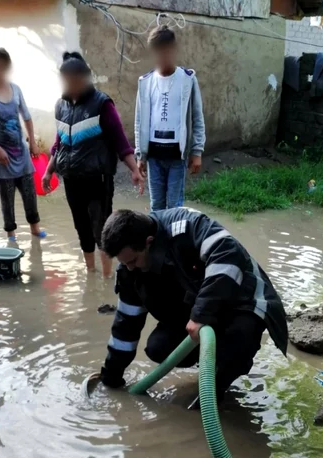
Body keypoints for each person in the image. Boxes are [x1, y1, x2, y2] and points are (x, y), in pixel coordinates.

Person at [99, 208, 288, 406]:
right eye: (124, 263)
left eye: (133, 261)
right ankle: (210, 364)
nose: (129, 267)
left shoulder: (187, 226)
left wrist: (200, 315)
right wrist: (111, 378)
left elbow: (228, 254)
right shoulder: (130, 270)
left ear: (148, 242)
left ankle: (215, 389)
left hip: (243, 301)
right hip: (200, 307)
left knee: (238, 339)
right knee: (158, 347)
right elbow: (125, 326)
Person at [43, 52, 143, 278]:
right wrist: (49, 171)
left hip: (98, 180)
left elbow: (120, 141)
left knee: (102, 230)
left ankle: (107, 279)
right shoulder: (61, 106)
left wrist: (134, 170)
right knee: (81, 228)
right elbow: (59, 143)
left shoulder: (101, 104)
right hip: (71, 179)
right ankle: (90, 274)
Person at [0, 47, 45, 242]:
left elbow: (27, 117)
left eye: (2, 67)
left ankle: (35, 229)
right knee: (7, 200)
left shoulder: (15, 89)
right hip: (1, 157)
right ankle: (11, 235)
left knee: (30, 194)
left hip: (21, 153)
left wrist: (32, 142)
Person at [135, 25, 205, 211]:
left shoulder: (188, 79)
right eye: (156, 52)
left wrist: (196, 151)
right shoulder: (146, 82)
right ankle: (158, 240)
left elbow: (197, 117)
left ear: (172, 50)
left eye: (164, 51)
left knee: (175, 207)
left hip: (177, 156)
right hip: (154, 157)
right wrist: (140, 155)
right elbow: (139, 121)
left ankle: (175, 240)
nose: (160, 57)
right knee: (156, 207)